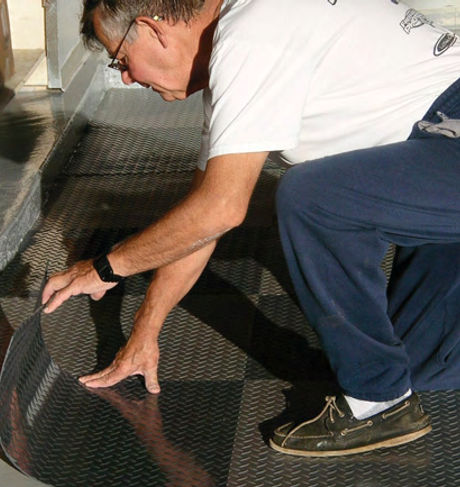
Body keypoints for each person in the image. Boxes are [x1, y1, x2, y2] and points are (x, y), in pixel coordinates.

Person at [42, 0, 460, 457]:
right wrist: (145, 331)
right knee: (419, 364)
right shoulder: (240, 47)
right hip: (434, 162)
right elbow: (202, 219)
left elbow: (222, 209)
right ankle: (391, 385)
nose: (126, 76)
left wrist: (105, 268)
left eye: (121, 58)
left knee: (311, 197)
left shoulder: (252, 30)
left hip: (446, 134)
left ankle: (379, 403)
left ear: (152, 29)